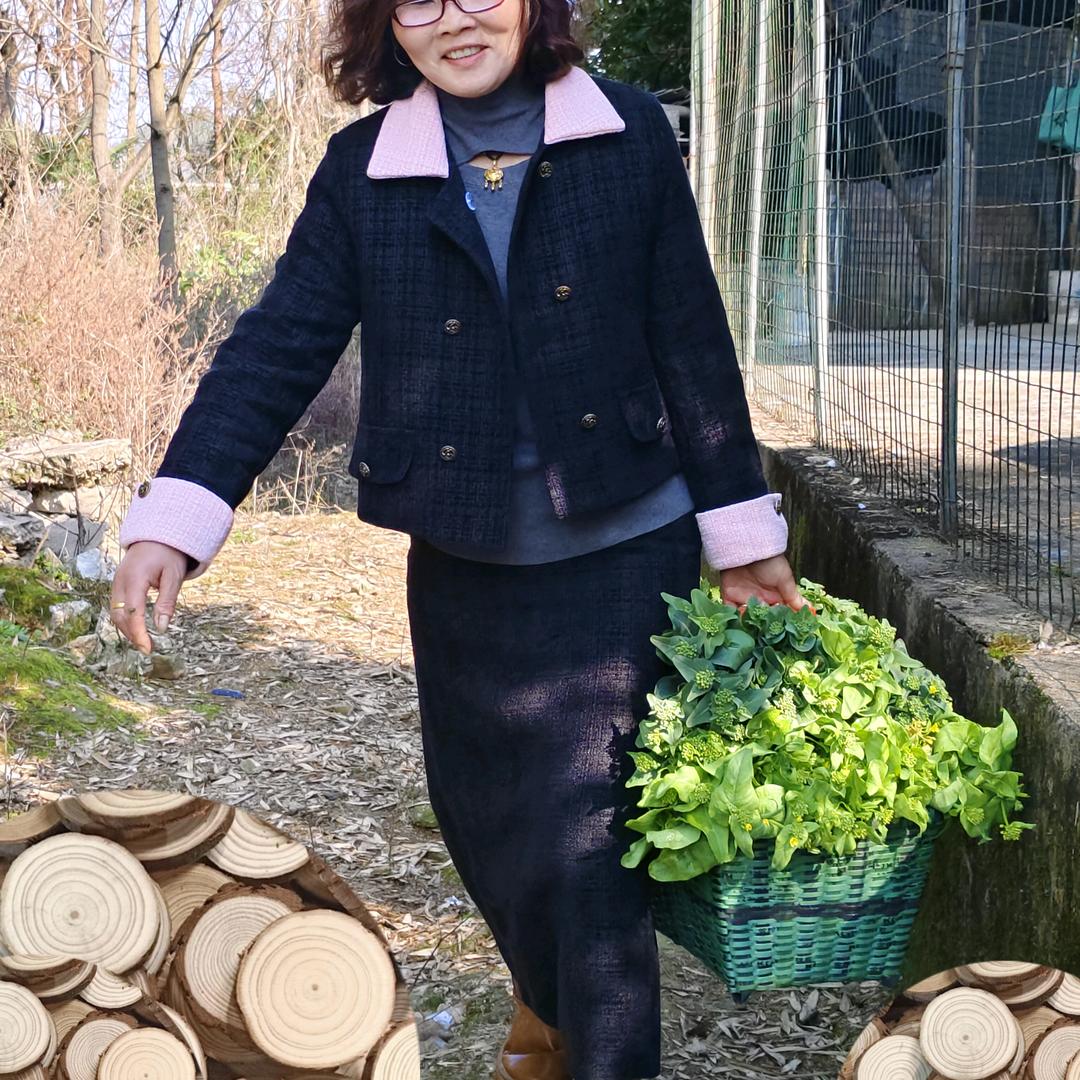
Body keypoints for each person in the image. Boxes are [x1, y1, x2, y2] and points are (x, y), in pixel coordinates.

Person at [109, 1, 808, 1077]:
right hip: (463, 556)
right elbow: (280, 342)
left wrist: (741, 531)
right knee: (486, 825)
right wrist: (181, 512)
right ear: (389, 23)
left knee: (591, 855)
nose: (456, 17)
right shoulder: (362, 171)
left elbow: (691, 336)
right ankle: (549, 1006)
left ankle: (598, 1053)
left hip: (626, 550)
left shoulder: (626, 133)